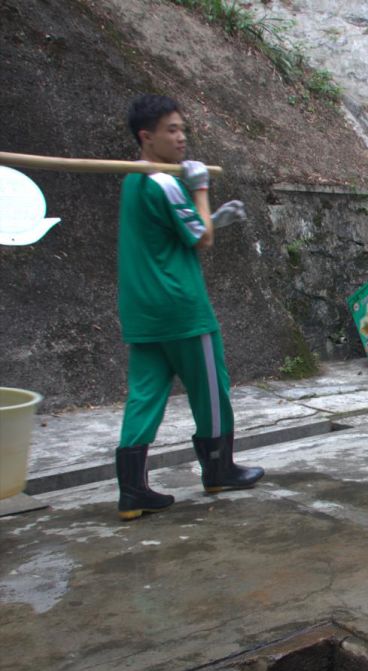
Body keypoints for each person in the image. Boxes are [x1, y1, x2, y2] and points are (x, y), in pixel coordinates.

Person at [114, 95, 261, 522]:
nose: (182, 138)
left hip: (142, 313)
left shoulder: (132, 181)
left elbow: (172, 236)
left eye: (184, 130)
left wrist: (213, 216)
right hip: (181, 308)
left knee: (143, 397)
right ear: (147, 137)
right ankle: (219, 469)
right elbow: (201, 239)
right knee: (211, 391)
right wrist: (200, 189)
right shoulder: (163, 181)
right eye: (172, 130)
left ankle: (132, 491)